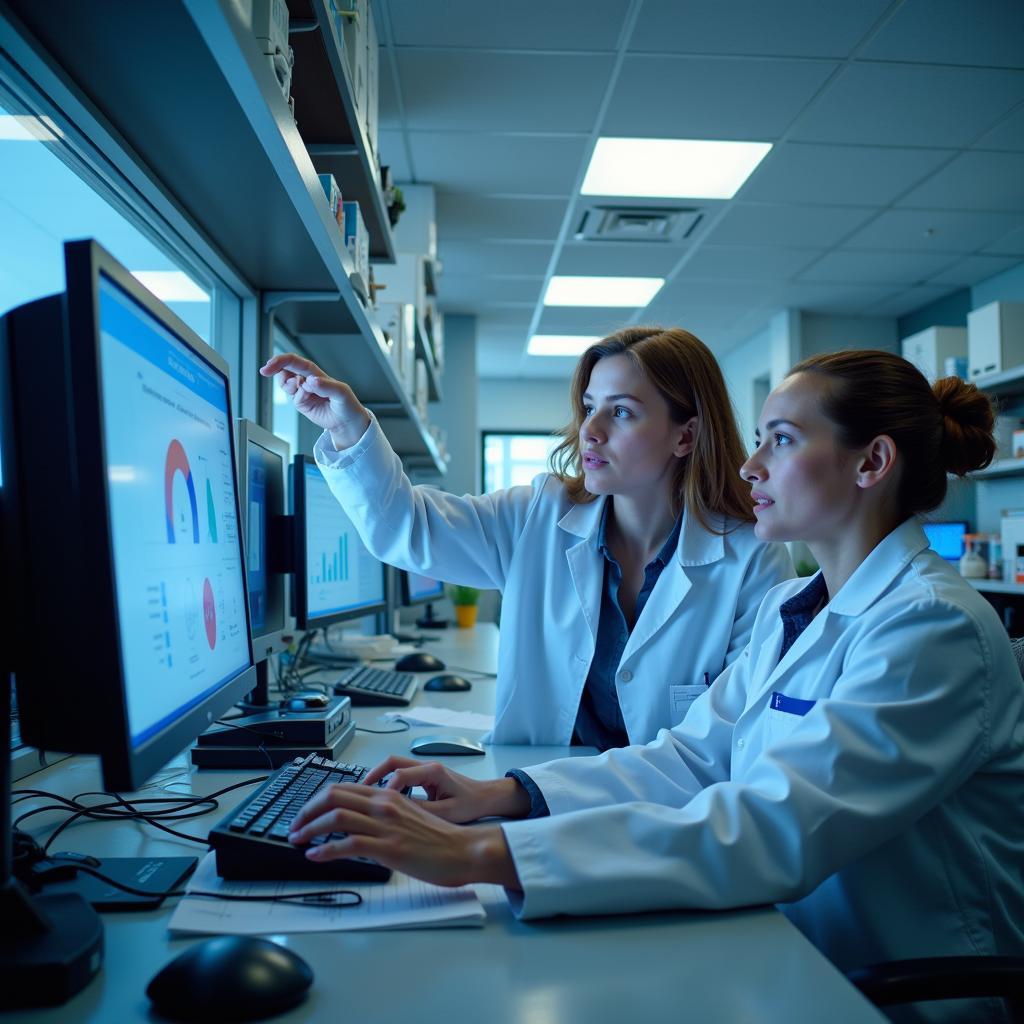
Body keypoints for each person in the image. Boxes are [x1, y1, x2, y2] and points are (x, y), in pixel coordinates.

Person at [286, 350, 1024, 1023]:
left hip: (896, 990)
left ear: (872, 464)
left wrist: (484, 855)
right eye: (760, 438)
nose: (751, 467)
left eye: (783, 440)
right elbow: (691, 760)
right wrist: (502, 797)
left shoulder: (931, 630)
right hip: (779, 941)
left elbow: (773, 827)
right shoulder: (793, 611)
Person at [262, 326, 792, 747]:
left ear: (686, 435)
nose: (591, 429)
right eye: (589, 406)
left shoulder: (751, 557)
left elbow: (734, 737)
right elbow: (408, 528)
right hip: (536, 798)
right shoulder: (538, 517)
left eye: (621, 411)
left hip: (672, 820)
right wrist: (347, 429)